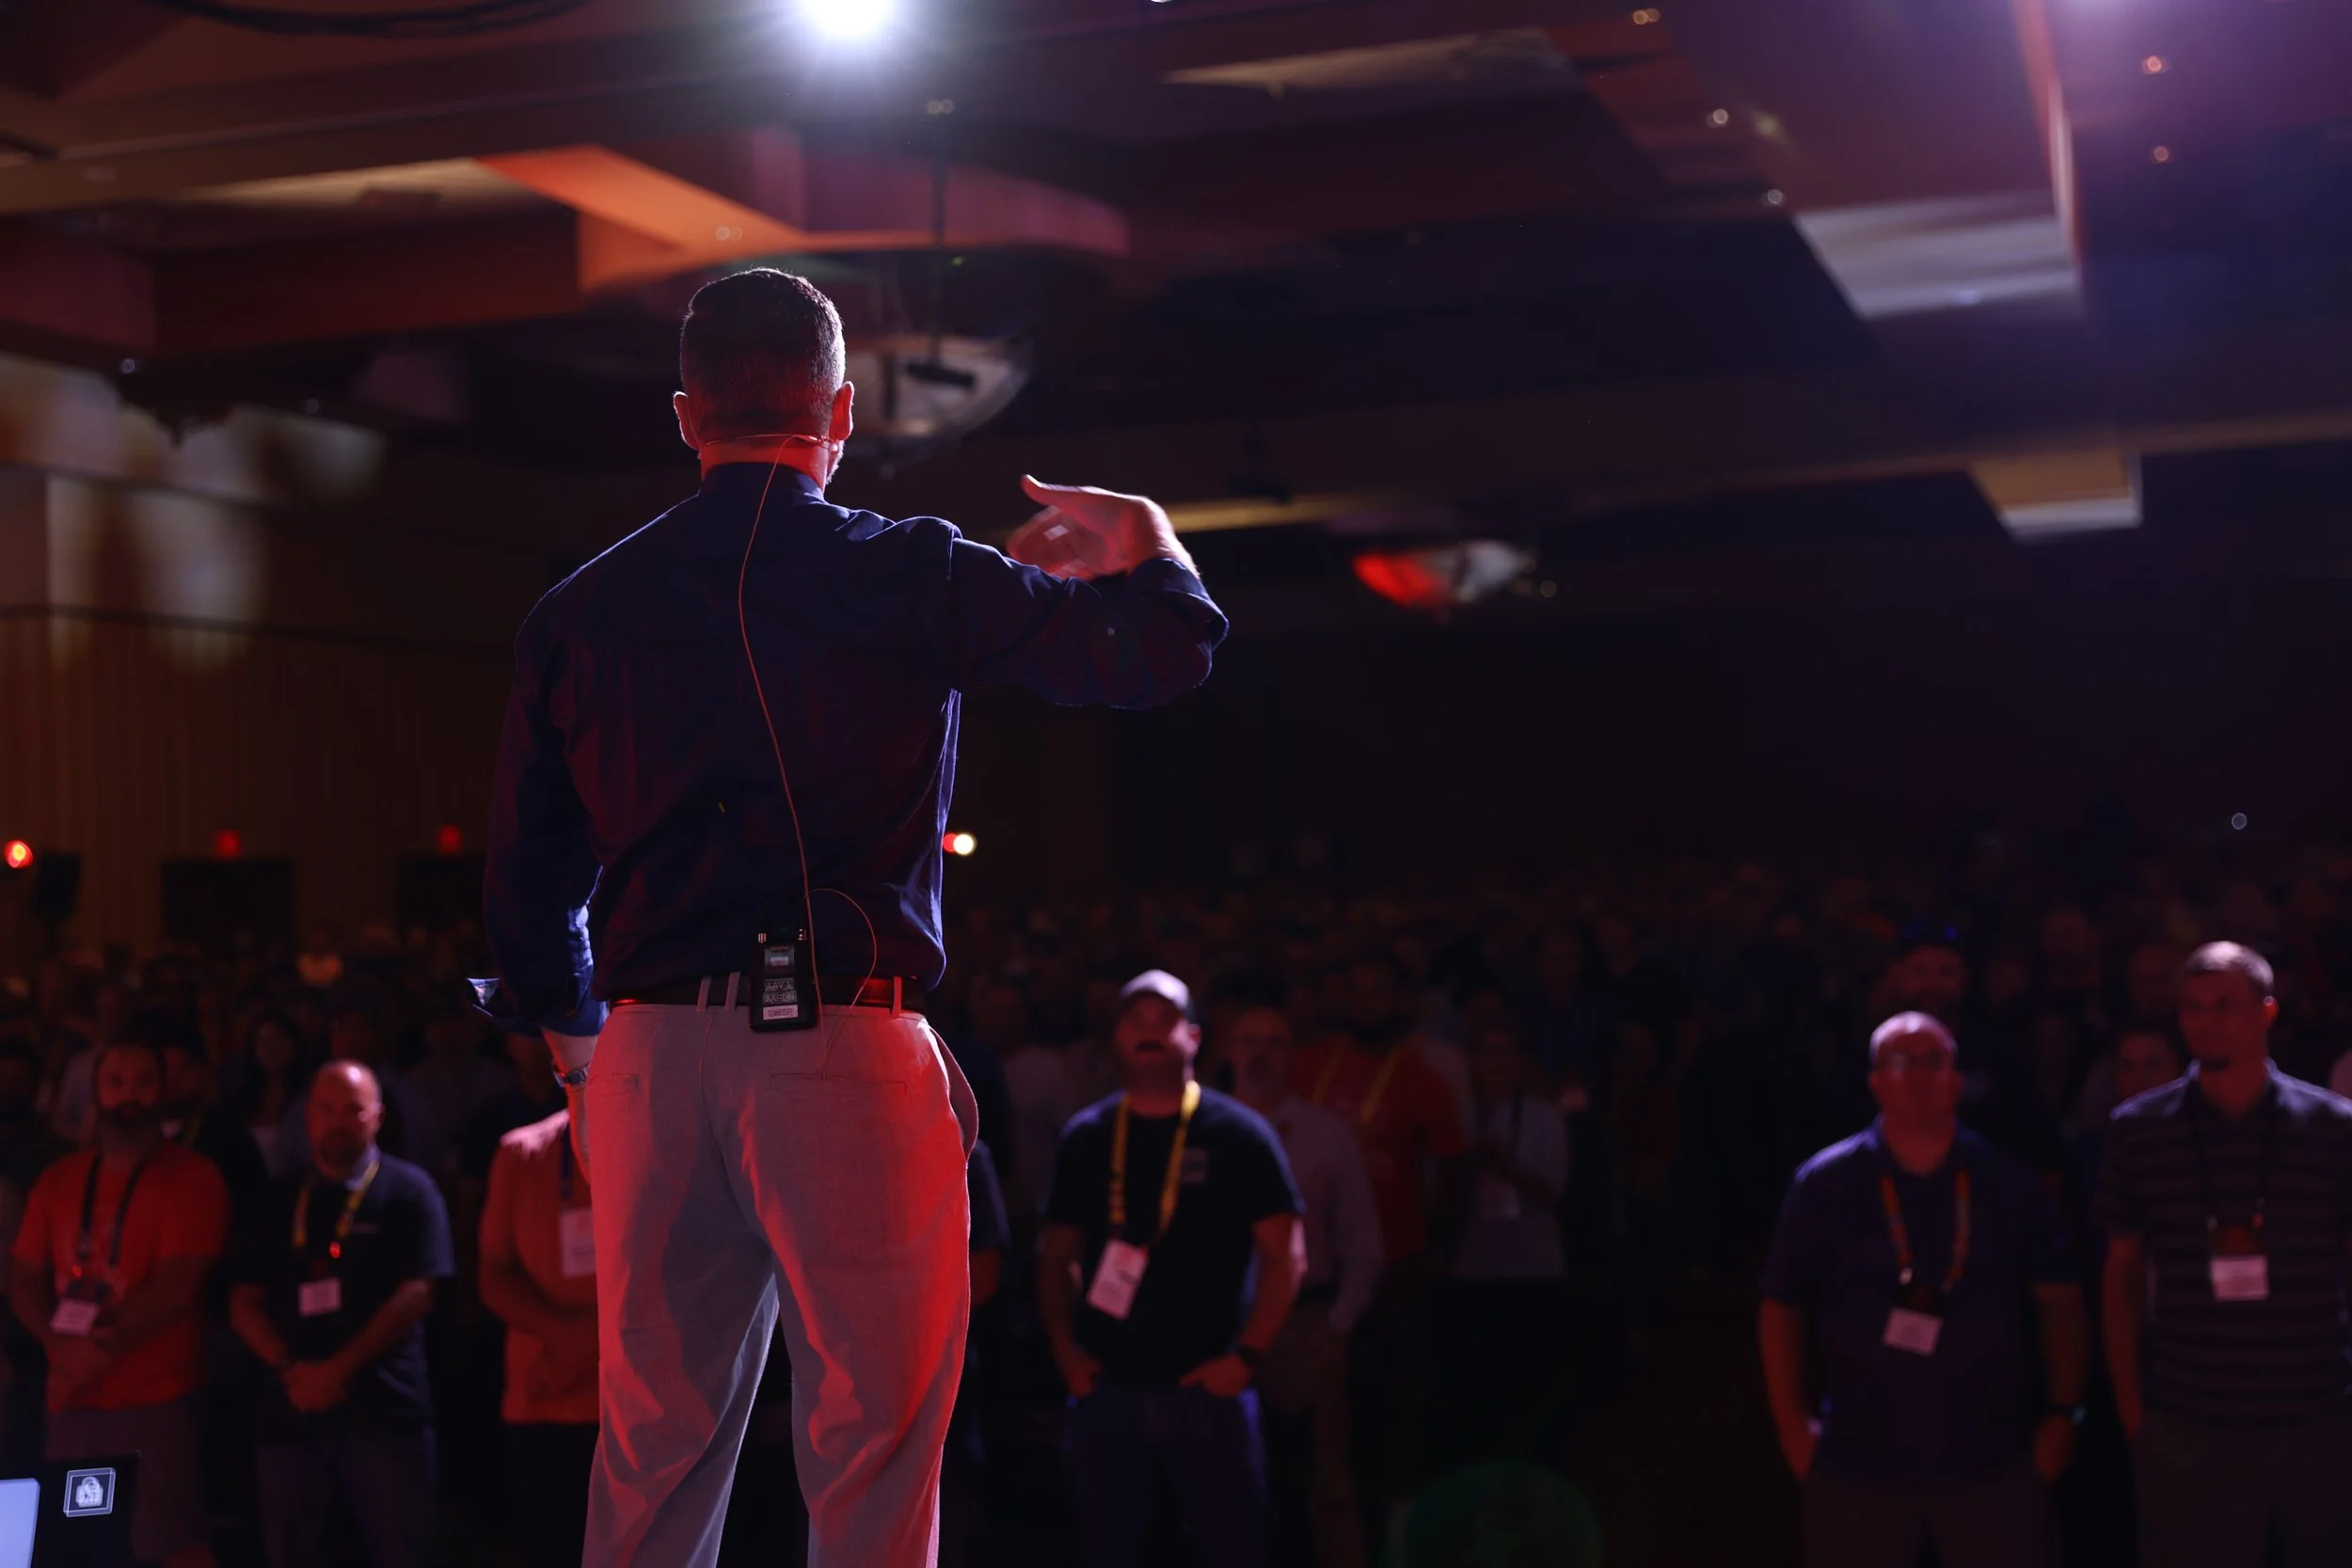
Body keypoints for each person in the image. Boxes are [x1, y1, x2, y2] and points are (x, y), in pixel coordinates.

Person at [479, 266, 1227, 1566]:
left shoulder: (578, 609)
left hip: (648, 1053)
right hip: (843, 1038)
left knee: (653, 1449)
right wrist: (1147, 533)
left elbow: (524, 880)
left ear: (684, 413)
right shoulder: (911, 571)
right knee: (873, 1443)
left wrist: (579, 1051)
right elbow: (1157, 651)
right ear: (840, 411)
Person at [1759, 1012, 2085, 1568]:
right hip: (1856, 1462)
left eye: (1935, 1061)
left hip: (1994, 1458)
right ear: (1875, 1080)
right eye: (1900, 1061)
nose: (1918, 1075)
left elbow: (2060, 1303)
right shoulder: (1824, 1183)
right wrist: (1792, 1424)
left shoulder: (2008, 1180)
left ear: (1958, 1080)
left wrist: (2063, 1414)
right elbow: (1781, 1306)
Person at [2096, 942, 2352, 1568]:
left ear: (2266, 1012)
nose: (2205, 1019)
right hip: (2188, 1421)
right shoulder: (2139, 1128)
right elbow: (2122, 1273)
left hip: (2316, 1417)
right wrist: (2132, 1407)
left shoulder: (2333, 1128)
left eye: (2223, 1005)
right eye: (2192, 1007)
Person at [1038, 971, 1304, 1568]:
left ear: (1194, 1036)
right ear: (1116, 1038)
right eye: (1136, 1019)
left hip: (1207, 1389)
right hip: (1108, 1388)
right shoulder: (1086, 1136)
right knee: (1108, 1549)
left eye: (1166, 1021)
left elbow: (1287, 1255)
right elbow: (1056, 1255)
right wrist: (1065, 1352)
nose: (1150, 1032)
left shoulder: (1239, 1135)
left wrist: (1248, 1357)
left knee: (1234, 1549)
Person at [8, 1039, 230, 1568]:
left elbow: (179, 1284)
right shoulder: (59, 1178)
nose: (129, 1096)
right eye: (116, 1082)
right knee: (78, 1547)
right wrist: (56, 1342)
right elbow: (24, 1275)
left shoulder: (193, 1176)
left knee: (167, 1543)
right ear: (96, 1092)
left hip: (156, 1399)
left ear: (163, 1092)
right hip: (73, 1399)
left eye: (142, 1082)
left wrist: (96, 1349)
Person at [230, 1061, 454, 1568]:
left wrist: (336, 1370)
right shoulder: (275, 1199)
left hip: (385, 1412)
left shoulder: (410, 1191)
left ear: (376, 1117)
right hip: (289, 1413)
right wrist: (292, 1370)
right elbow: (242, 1301)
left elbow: (419, 1292)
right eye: (326, 1109)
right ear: (308, 1116)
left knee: (402, 1553)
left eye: (352, 1110)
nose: (337, 1121)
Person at [1286, 954, 1469, 1535]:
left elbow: (1454, 1176)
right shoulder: (1306, 1066)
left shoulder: (1424, 1081)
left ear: (1399, 1003)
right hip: (1316, 1269)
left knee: (1397, 1395)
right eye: (1358, 991)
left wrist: (1437, 1256)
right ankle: (1317, 1515)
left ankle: (1399, 1514)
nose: (1368, 1002)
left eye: (1379, 992)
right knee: (1317, 1399)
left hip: (1397, 1262)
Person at [1225, 1004, 1382, 1568]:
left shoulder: (1326, 1134)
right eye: (1248, 1041)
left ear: (1291, 1054)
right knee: (1228, 1479)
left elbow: (1363, 1243)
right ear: (1228, 1049)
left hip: (1306, 1322)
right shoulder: (1199, 1126)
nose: (1260, 1054)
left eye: (1274, 1042)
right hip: (1217, 1324)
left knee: (1325, 1478)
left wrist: (1335, 1328)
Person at [1437, 1014, 1572, 1474]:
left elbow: (1554, 1192)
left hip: (1533, 1270)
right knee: (1474, 1394)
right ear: (1471, 1060)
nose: (1495, 1061)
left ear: (1520, 1061)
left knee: (1529, 1391)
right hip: (1467, 1269)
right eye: (1486, 1051)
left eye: (1505, 1051)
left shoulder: (1544, 1115)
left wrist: (1501, 1164)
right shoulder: (1453, 1114)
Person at [477, 1107, 597, 1568]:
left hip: (641, 1406)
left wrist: (579, 1347)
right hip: (544, 1403)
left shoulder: (665, 1138)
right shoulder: (521, 1150)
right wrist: (571, 1338)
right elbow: (493, 1274)